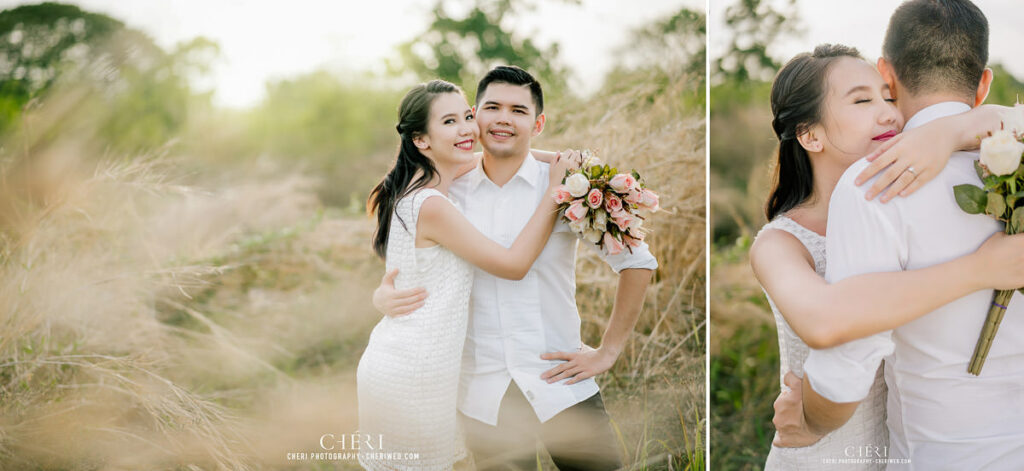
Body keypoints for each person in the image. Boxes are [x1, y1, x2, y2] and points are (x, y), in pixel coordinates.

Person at [752, 41, 1024, 469]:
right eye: (863, 100)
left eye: (889, 96)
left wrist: (947, 131)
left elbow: (1012, 119)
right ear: (810, 135)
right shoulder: (780, 243)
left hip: (901, 445)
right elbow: (827, 320)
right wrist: (982, 268)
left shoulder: (892, 205)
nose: (889, 113)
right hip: (826, 448)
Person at [372, 65, 657, 470]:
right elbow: (413, 262)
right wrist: (382, 295)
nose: (504, 118)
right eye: (492, 107)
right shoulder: (447, 188)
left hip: (562, 385)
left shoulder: (569, 187)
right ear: (476, 117)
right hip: (484, 395)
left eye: (519, 111)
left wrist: (608, 351)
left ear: (537, 123)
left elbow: (638, 263)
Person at [356, 78, 578, 470]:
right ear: (422, 140)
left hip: (427, 366)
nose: (466, 129)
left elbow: (504, 155)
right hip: (415, 372)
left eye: (468, 116)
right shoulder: (432, 204)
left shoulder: (432, 182)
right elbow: (513, 265)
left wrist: (565, 162)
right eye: (449, 122)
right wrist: (554, 193)